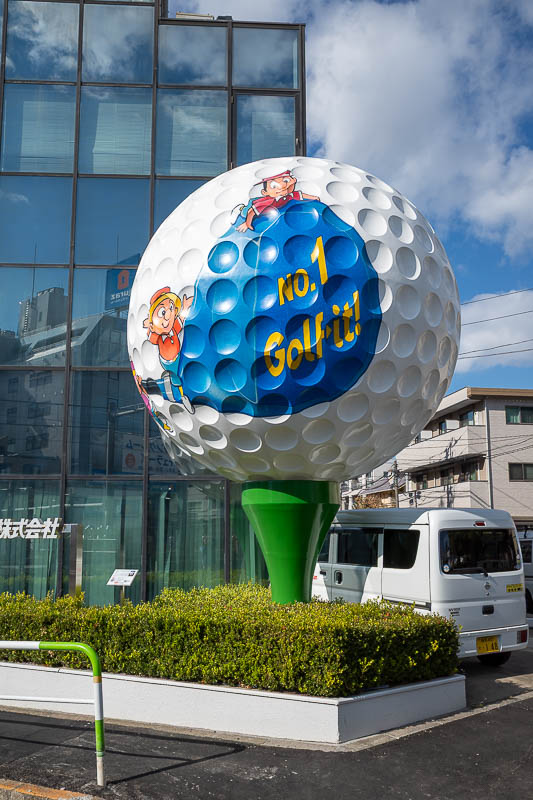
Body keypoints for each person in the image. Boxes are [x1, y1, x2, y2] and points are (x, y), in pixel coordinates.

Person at [140, 287, 195, 414]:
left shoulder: (173, 328)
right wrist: (150, 326)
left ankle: (177, 393)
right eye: (163, 312)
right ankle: (181, 396)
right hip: (168, 361)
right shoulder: (158, 335)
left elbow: (180, 321)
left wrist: (185, 308)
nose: (169, 314)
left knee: (178, 377)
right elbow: (152, 337)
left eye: (171, 308)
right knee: (176, 378)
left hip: (177, 357)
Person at [236, 170, 319, 232]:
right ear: (265, 192)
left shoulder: (288, 195)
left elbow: (299, 195)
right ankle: (240, 208)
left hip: (275, 208)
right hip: (254, 205)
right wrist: (247, 223)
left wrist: (314, 197)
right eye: (273, 185)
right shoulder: (269, 200)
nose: (282, 186)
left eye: (286, 181)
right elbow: (251, 211)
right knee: (244, 212)